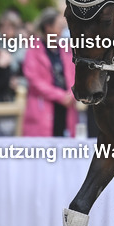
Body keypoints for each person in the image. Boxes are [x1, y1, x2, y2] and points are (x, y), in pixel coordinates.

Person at [21, 9, 77, 137]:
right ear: (48, 27)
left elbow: (75, 74)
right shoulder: (33, 50)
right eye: (59, 25)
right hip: (43, 108)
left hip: (67, 108)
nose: (62, 29)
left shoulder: (66, 49)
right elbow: (34, 80)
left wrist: (71, 94)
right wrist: (60, 95)